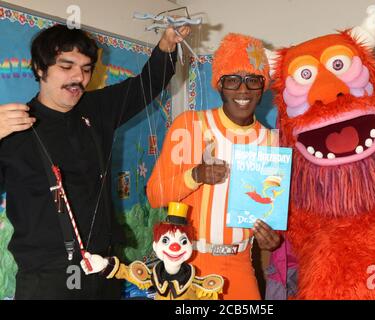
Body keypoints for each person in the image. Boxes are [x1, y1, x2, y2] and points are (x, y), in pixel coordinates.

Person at [0, 23, 190, 299]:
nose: (79, 76)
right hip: (46, 279)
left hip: (104, 269)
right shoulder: (12, 129)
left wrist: (166, 47)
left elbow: (146, 85)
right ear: (40, 69)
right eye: (67, 66)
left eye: (87, 68)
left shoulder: (96, 109)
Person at [147, 33, 281, 300]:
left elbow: (271, 213)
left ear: (262, 87)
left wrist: (273, 239)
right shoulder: (190, 126)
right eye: (232, 80)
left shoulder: (272, 143)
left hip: (240, 263)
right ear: (219, 85)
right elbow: (154, 195)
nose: (242, 90)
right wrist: (195, 175)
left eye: (252, 80)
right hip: (188, 264)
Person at [81, 201, 224, 300]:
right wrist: (104, 265)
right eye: (166, 241)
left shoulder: (199, 287)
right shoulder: (154, 276)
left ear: (190, 247)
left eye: (183, 241)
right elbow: (125, 271)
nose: (175, 247)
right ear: (155, 246)